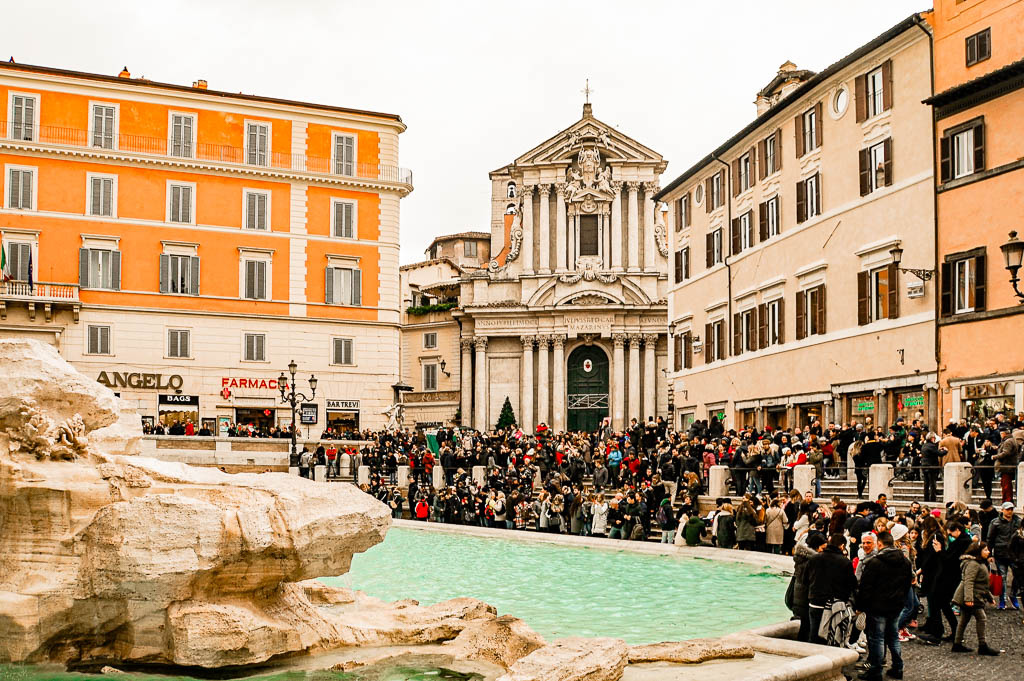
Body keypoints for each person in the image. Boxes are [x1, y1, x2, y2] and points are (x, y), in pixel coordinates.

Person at [857, 530, 913, 681]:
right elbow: (908, 584)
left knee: (877, 639)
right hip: (895, 606)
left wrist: (860, 607)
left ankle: (875, 671)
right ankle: (897, 667)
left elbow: (865, 587)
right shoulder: (905, 562)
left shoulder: (875, 563)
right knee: (893, 637)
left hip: (877, 607)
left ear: (879, 544)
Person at [805, 533, 858, 645]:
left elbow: (806, 579)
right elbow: (852, 584)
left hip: (815, 602)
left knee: (814, 634)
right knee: (832, 636)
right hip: (835, 605)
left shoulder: (814, 558)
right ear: (842, 546)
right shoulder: (845, 562)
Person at [951, 541, 1000, 656]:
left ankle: (957, 644)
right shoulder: (973, 564)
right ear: (979, 551)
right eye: (986, 550)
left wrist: (989, 597)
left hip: (974, 595)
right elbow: (969, 581)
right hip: (972, 596)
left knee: (964, 620)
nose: (988, 552)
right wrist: (968, 598)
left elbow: (982, 583)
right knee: (981, 618)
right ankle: (982, 646)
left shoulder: (979, 563)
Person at [986, 501, 1022, 609]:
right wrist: (990, 554)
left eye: (1011, 509)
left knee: (1018, 576)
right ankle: (1003, 599)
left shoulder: (1018, 521)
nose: (1009, 511)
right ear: (1002, 510)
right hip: (1000, 553)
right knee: (1003, 577)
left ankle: (1013, 595)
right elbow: (990, 538)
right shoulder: (995, 522)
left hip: (1015, 554)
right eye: (1007, 509)